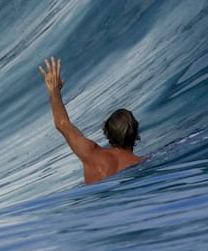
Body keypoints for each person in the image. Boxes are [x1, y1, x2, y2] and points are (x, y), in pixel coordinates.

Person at [38, 56, 145, 185]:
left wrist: (54, 90)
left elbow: (62, 124)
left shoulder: (90, 153)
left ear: (107, 131)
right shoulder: (141, 162)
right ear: (136, 133)